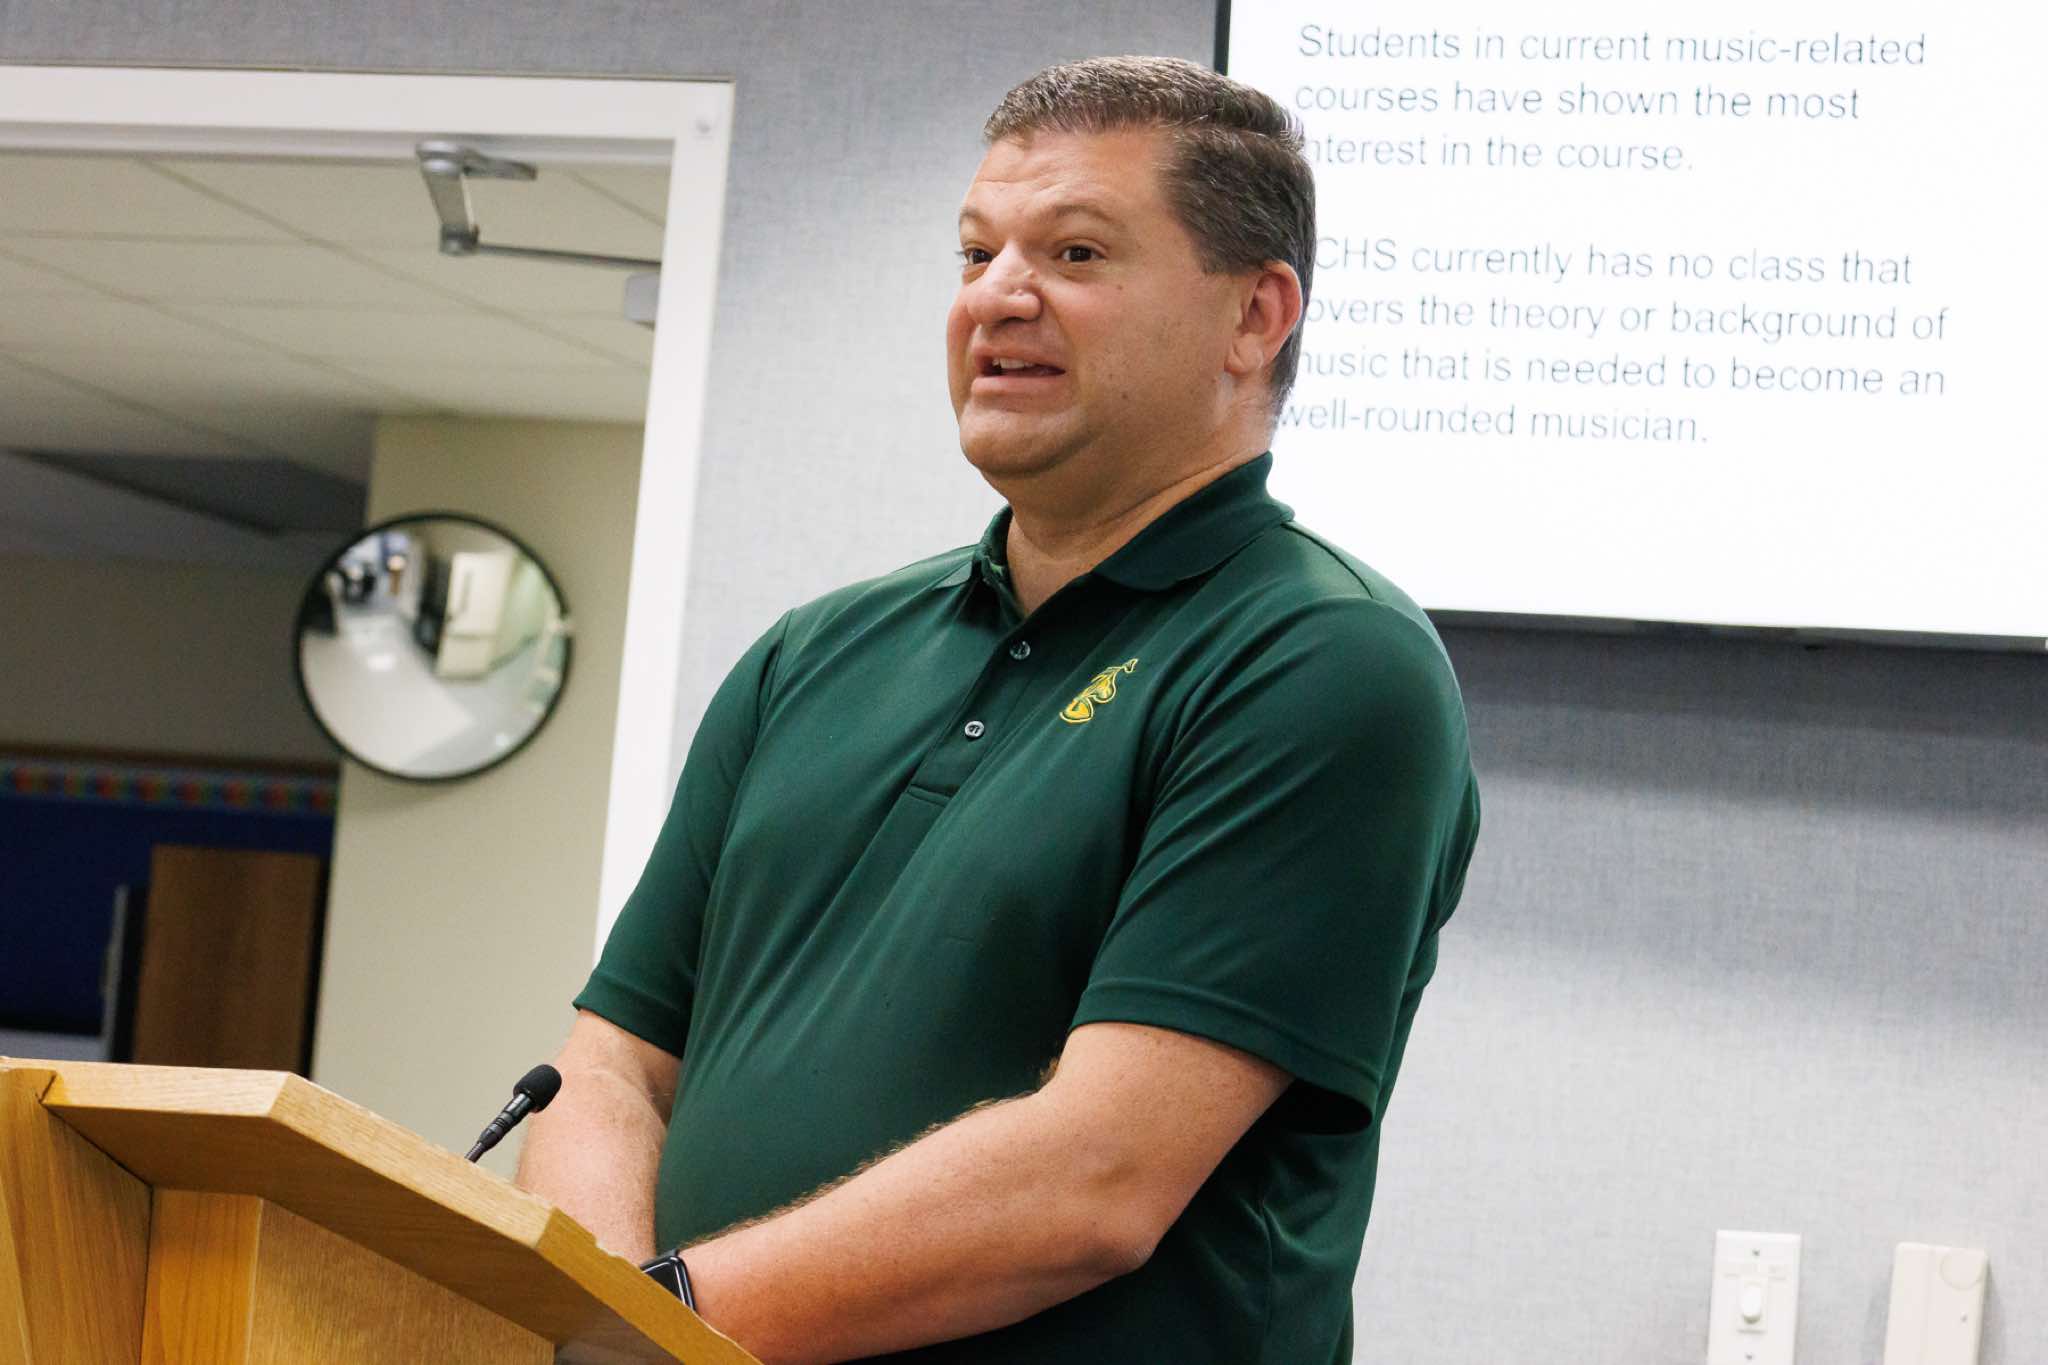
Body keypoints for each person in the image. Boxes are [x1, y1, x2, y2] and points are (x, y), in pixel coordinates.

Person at [517, 54, 1481, 1365]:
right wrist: (596, 1328)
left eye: (1075, 252)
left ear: (1255, 316)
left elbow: (1094, 1181)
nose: (997, 296)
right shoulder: (817, 650)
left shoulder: (1322, 659)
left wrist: (657, 1329)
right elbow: (611, 1067)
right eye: (977, 253)